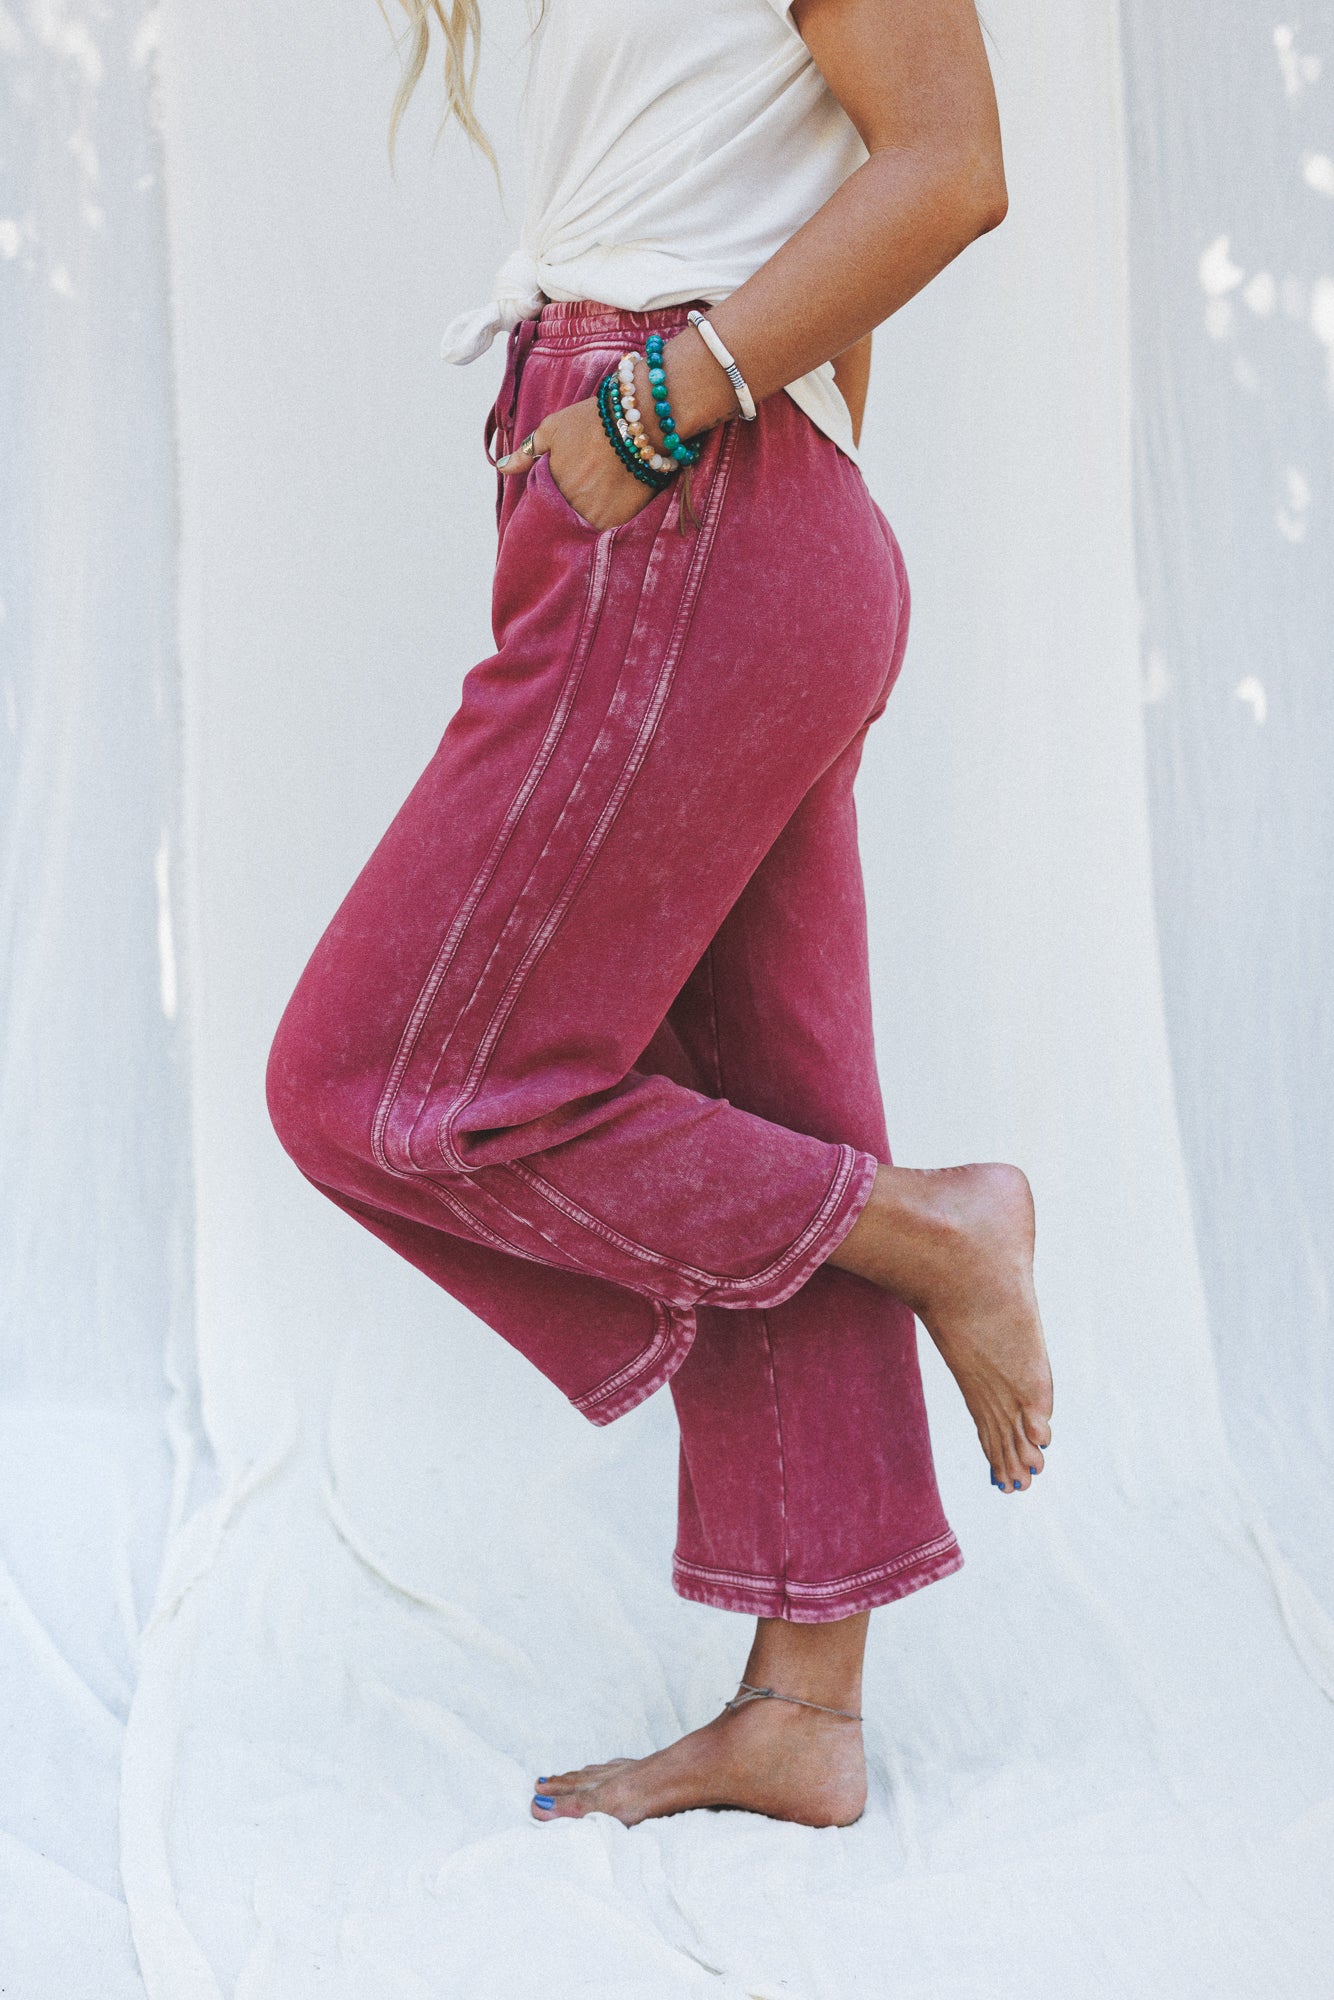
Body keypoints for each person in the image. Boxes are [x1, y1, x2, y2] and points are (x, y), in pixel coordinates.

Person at [266, 0, 1053, 1831]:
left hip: (687, 489)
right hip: (706, 515)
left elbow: (952, 164)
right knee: (761, 1110)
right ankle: (803, 1711)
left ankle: (937, 1228)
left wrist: (651, 407)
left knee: (374, 1080)